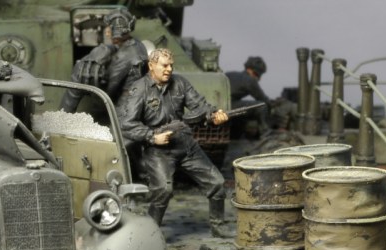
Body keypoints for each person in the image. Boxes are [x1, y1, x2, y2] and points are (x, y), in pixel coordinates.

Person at [116, 48, 233, 238]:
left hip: (185, 144)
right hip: (158, 149)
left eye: (171, 65)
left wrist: (214, 115)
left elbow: (199, 105)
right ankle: (151, 233)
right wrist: (151, 136)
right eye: (164, 65)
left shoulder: (180, 83)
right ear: (151, 65)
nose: (169, 69)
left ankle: (218, 226)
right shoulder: (139, 89)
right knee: (163, 190)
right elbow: (127, 124)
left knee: (217, 182)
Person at [60, 7, 148, 113]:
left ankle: (63, 115)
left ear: (117, 30)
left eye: (109, 29)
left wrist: (86, 72)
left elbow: (109, 90)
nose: (107, 33)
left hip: (125, 108)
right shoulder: (137, 45)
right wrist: (106, 49)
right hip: (133, 99)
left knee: (78, 73)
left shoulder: (125, 56)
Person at [225, 56, 271, 138]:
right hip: (228, 107)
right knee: (261, 106)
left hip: (219, 106)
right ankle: (266, 134)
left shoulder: (230, 74)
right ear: (250, 70)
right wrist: (272, 105)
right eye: (257, 74)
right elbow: (262, 98)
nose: (258, 78)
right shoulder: (249, 80)